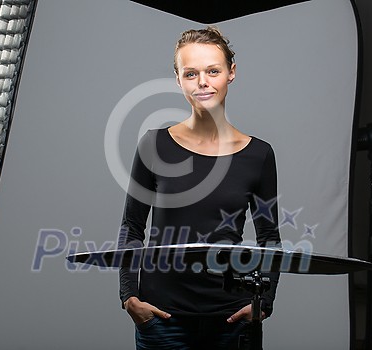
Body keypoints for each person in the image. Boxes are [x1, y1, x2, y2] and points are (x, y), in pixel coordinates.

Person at [118, 26, 281, 350]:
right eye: (191, 73)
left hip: (231, 318)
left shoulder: (258, 154)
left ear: (230, 73)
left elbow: (269, 238)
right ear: (178, 78)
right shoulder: (154, 145)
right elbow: (133, 225)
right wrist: (129, 297)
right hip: (163, 319)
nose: (203, 82)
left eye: (213, 71)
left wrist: (266, 301)